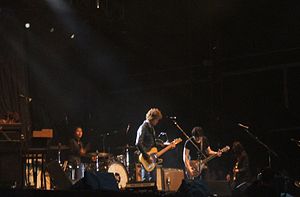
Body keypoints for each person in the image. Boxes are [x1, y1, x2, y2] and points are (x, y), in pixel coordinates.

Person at [135, 108, 162, 181]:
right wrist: (146, 156)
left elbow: (150, 142)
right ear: (152, 118)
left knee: (153, 181)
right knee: (146, 181)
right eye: (157, 120)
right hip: (146, 158)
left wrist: (160, 143)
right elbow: (138, 143)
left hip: (152, 156)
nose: (157, 122)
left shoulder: (151, 128)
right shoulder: (143, 127)